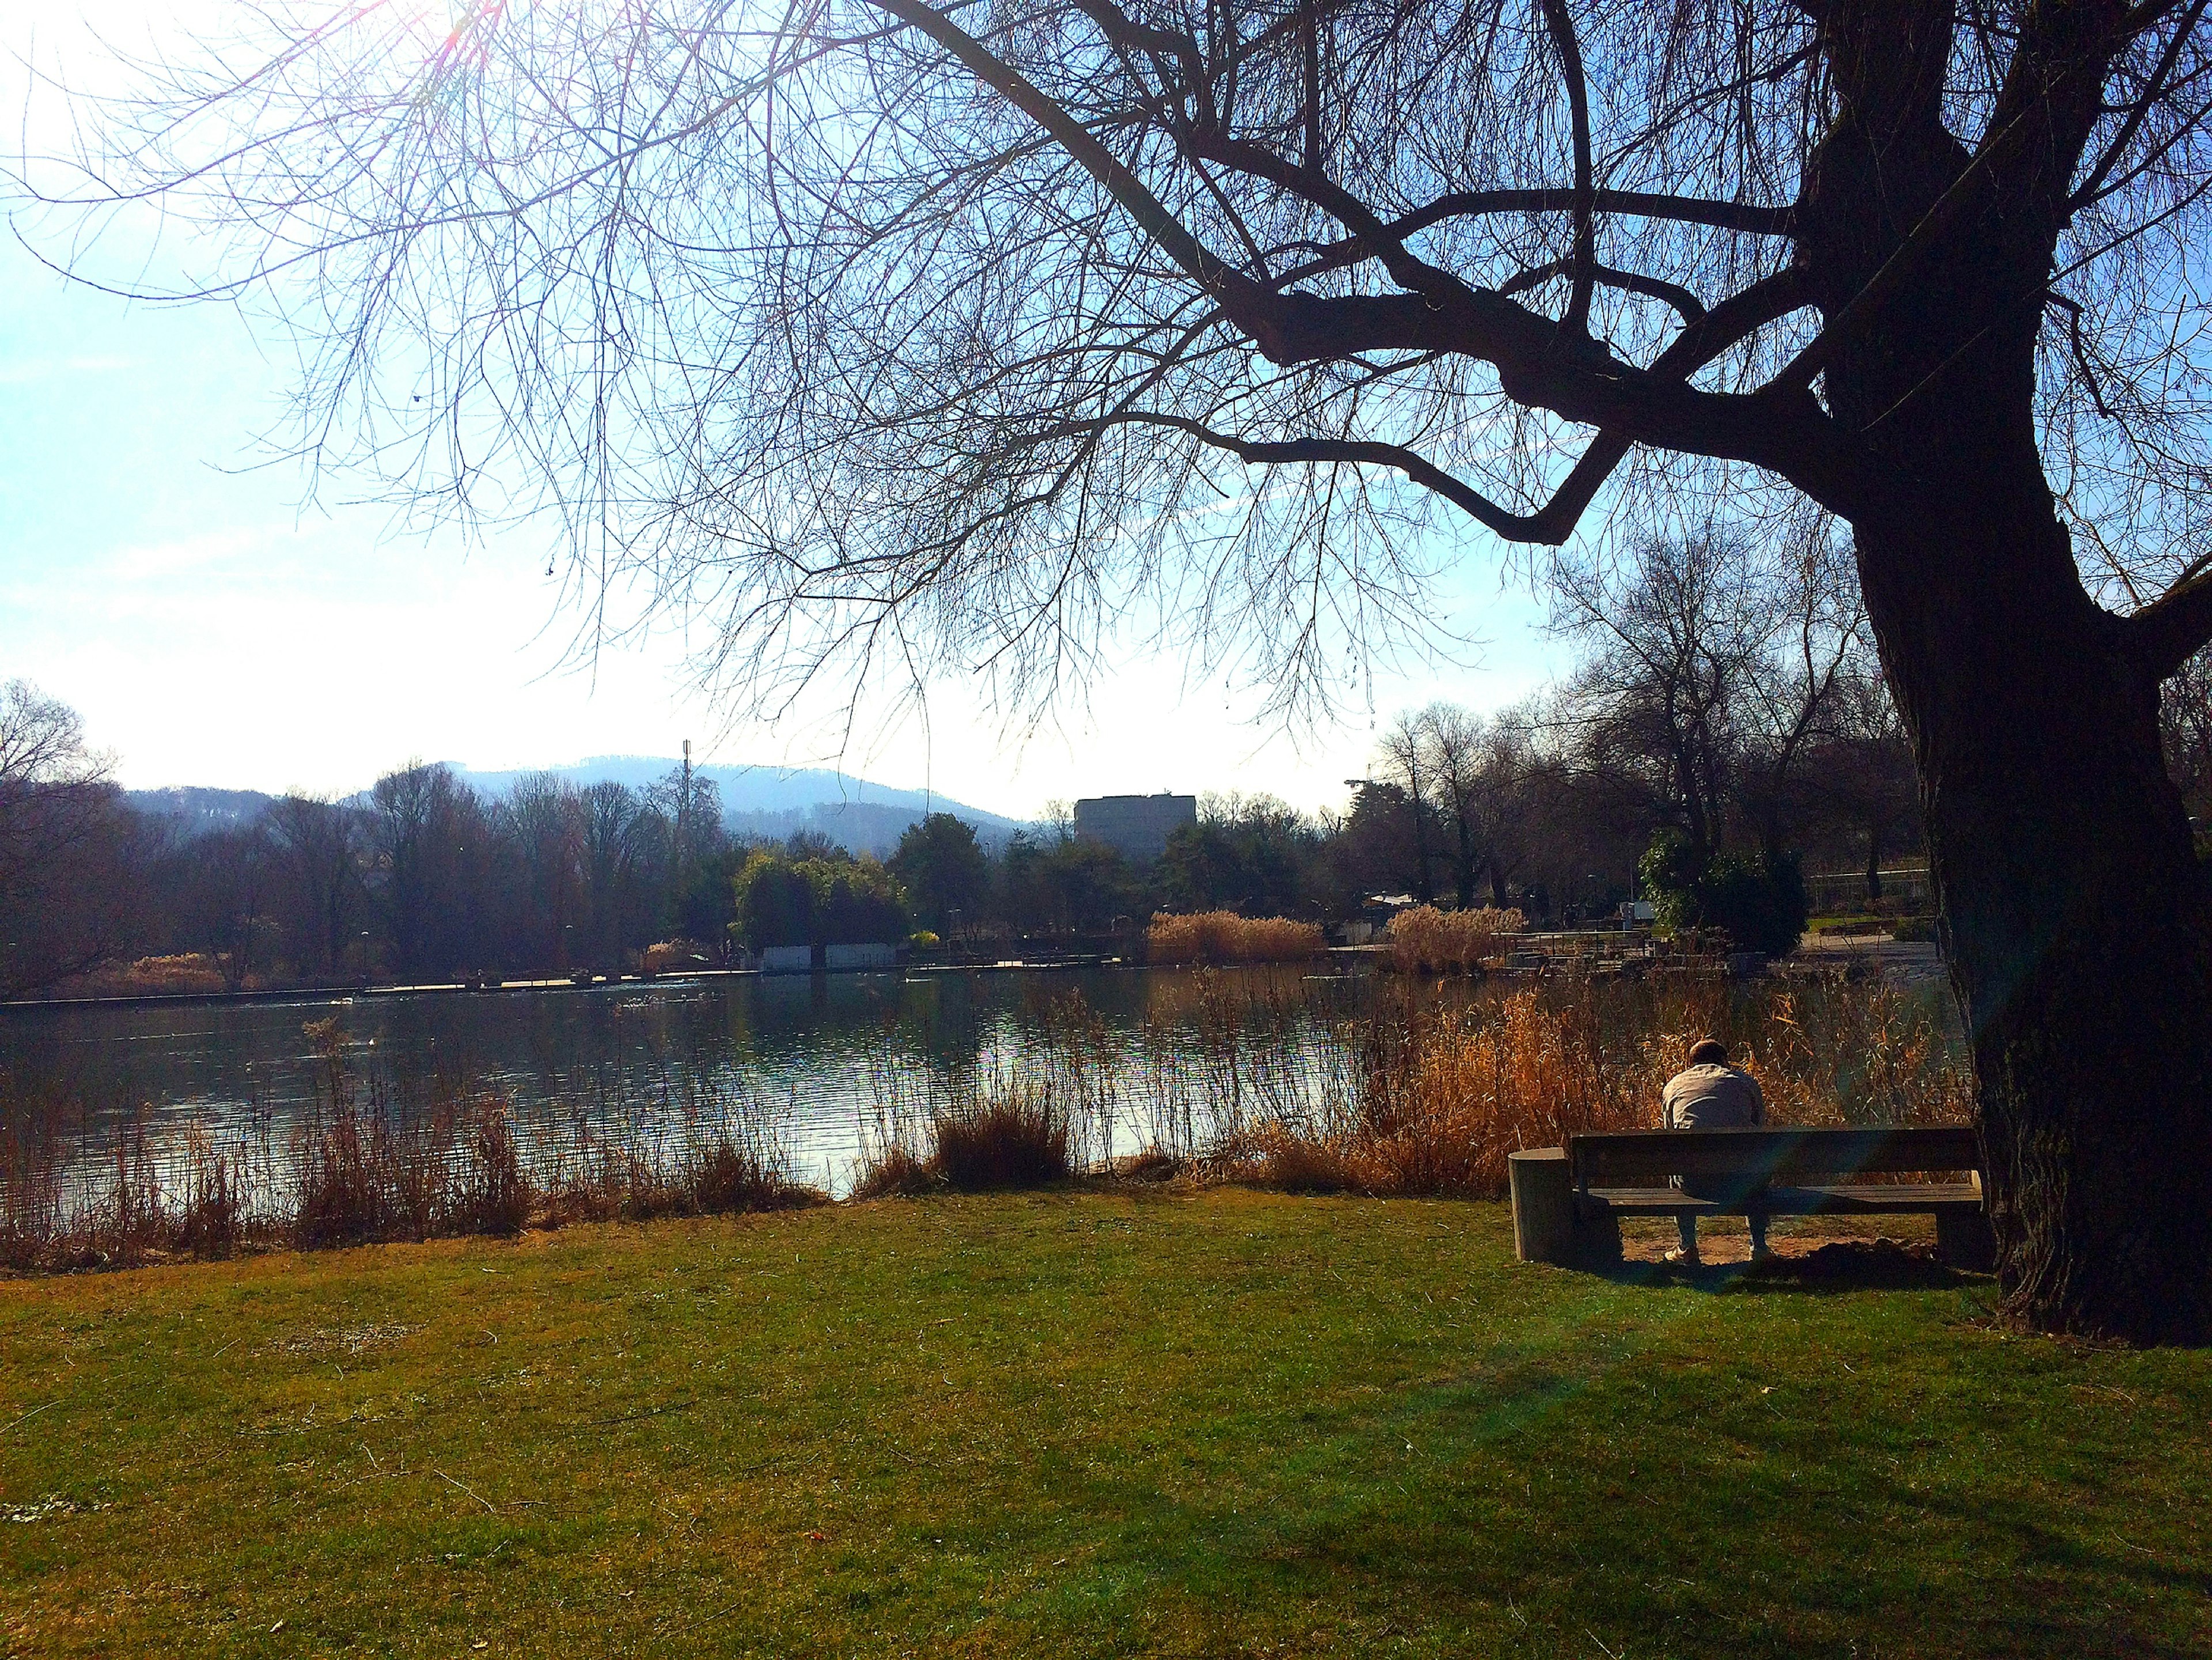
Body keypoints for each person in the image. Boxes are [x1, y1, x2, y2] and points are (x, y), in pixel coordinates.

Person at [1660, 1037, 1768, 1265]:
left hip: (1694, 1184)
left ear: (1692, 1063)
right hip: (1742, 1182)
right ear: (1724, 1061)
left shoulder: (1674, 1085)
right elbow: (1760, 1130)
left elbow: (1670, 1135)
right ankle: (1759, 1246)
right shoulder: (1745, 1083)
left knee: (1677, 1160)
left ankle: (1687, 1245)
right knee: (1758, 1159)